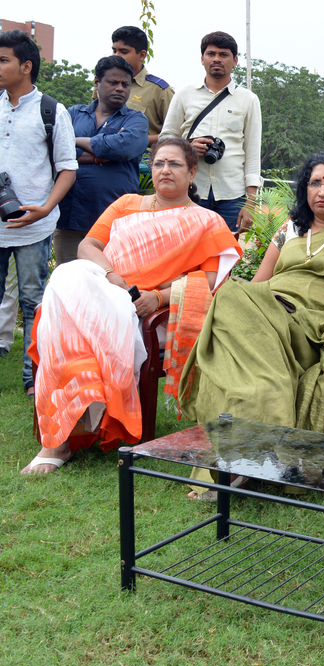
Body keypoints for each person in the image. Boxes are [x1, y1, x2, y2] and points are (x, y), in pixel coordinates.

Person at [178, 151, 324, 498]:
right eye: (314, 182)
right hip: (268, 316)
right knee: (232, 300)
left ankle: (239, 463)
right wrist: (250, 306)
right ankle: (253, 432)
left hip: (306, 329)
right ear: (305, 189)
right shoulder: (290, 232)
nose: (322, 191)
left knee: (229, 303)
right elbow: (259, 286)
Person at [23, 137, 242, 474]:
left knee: (69, 320)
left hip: (141, 306)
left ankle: (59, 441)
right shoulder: (127, 203)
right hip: (103, 285)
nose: (165, 170)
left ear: (192, 172)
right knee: (67, 275)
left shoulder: (207, 221)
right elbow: (88, 246)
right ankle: (64, 432)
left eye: (174, 164)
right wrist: (112, 277)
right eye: (159, 163)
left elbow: (209, 281)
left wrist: (158, 297)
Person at [0, 30, 77, 397]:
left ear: (26, 66)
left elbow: (68, 168)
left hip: (34, 225)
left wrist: (45, 208)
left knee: (34, 300)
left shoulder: (51, 110)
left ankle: (34, 378)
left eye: (3, 60)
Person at [160, 31, 261, 233]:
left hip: (232, 195)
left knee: (226, 251)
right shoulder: (184, 94)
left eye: (223, 55)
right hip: (190, 189)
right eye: (211, 54)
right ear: (202, 59)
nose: (216, 59)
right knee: (187, 247)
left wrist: (251, 202)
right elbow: (165, 139)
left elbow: (252, 152)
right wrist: (187, 148)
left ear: (235, 61)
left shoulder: (248, 99)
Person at [54, 55, 149, 265]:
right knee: (69, 279)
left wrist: (75, 141)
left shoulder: (136, 119)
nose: (120, 88)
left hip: (115, 221)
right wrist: (102, 156)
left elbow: (124, 147)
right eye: (113, 82)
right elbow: (56, 151)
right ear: (97, 82)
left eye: (125, 84)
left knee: (110, 280)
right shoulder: (73, 114)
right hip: (70, 217)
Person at [106, 25, 174, 146]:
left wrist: (135, 139)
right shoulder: (104, 84)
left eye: (124, 52)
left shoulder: (159, 91)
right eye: (114, 51)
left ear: (142, 55)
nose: (116, 56)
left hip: (143, 155)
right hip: (100, 152)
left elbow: (176, 133)